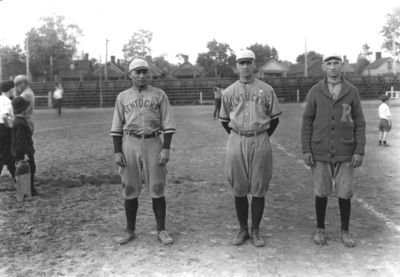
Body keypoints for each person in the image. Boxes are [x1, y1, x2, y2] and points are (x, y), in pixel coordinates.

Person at [301, 53, 366, 248]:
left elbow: (360, 123)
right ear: (323, 67)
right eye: (329, 63)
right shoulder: (315, 91)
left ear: (342, 65)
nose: (333, 67)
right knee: (321, 191)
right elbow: (307, 122)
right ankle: (320, 229)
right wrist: (307, 149)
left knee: (345, 192)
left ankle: (345, 232)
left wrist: (359, 151)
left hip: (345, 150)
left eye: (336, 63)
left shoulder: (351, 91)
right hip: (320, 150)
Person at [219, 50, 282, 247]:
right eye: (241, 63)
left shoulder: (267, 89)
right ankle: (242, 229)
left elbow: (275, 119)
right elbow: (224, 121)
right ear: (236, 66)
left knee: (258, 188)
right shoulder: (228, 92)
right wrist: (238, 137)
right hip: (237, 139)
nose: (245, 67)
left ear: (254, 64)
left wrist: (261, 136)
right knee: (239, 188)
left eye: (248, 63)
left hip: (260, 138)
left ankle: (255, 230)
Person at [111, 58, 176, 245]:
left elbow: (169, 123)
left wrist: (166, 148)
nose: (141, 75)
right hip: (130, 142)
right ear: (130, 75)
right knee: (130, 188)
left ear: (149, 74)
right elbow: (116, 126)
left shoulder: (159, 94)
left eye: (145, 72)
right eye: (137, 72)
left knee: (157, 187)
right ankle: (130, 230)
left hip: (153, 141)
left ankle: (161, 230)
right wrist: (117, 151)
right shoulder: (122, 97)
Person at [11, 97, 38, 196]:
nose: (27, 108)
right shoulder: (19, 122)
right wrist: (26, 153)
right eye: (26, 107)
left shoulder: (20, 120)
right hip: (22, 151)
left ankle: (29, 188)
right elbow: (21, 140)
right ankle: (27, 190)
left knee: (31, 168)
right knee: (26, 169)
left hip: (24, 149)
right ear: (23, 109)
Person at [0, 81, 16, 186]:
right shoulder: (7, 101)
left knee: (9, 154)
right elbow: (4, 115)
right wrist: (8, 125)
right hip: (4, 128)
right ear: (10, 89)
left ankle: (16, 177)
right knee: (3, 154)